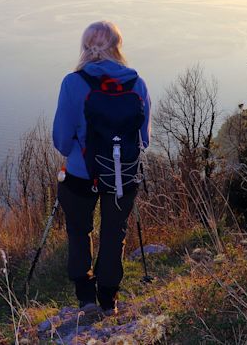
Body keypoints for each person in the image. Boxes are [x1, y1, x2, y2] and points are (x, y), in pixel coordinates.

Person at [52, 20, 151, 314]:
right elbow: (143, 138)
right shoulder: (137, 83)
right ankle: (109, 299)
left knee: (79, 230)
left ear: (85, 48)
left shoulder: (73, 83)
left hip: (82, 174)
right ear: (117, 47)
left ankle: (86, 297)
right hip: (124, 175)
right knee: (114, 233)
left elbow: (61, 140)